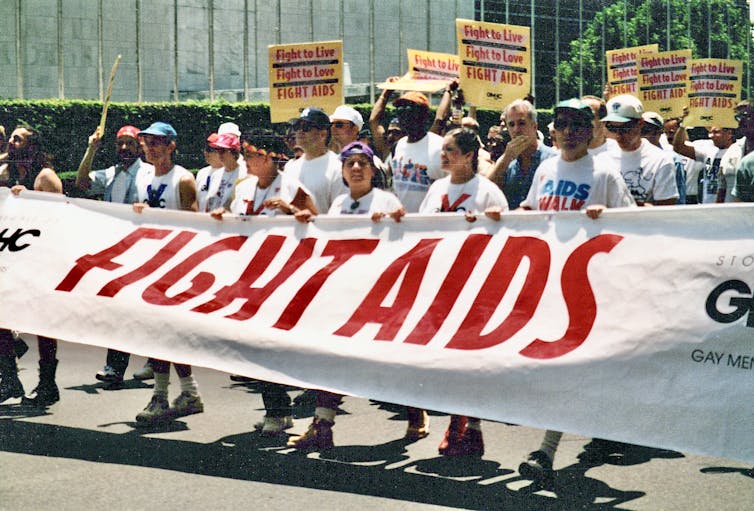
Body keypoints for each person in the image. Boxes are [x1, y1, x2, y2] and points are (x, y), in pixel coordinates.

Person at [516, 99, 635, 484]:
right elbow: (532, 212)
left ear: (591, 131)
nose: (568, 131)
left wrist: (610, 220)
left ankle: (546, 450)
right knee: (565, 366)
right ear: (553, 130)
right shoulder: (546, 168)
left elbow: (635, 225)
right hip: (548, 279)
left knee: (569, 366)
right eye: (562, 124)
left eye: (577, 125)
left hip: (587, 283)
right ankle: (600, 426)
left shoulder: (605, 174)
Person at [286, 141, 405, 451]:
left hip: (376, 294)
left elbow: (404, 241)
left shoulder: (386, 201)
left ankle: (415, 412)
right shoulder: (339, 203)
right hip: (344, 294)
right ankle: (322, 425)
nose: (355, 169)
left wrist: (392, 222)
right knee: (332, 356)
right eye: (349, 164)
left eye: (362, 163)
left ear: (372, 169)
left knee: (388, 363)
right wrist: (308, 223)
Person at [210, 129, 317, 434]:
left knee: (273, 346)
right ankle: (277, 409)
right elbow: (235, 221)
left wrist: (293, 210)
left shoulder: (292, 186)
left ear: (270, 157)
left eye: (252, 155)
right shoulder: (244, 188)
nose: (246, 160)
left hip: (282, 275)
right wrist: (221, 216)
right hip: (251, 275)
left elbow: (319, 222)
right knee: (256, 345)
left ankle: (285, 410)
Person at [417, 128, 508, 457]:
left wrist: (484, 225)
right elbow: (422, 230)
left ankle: (467, 426)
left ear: (470, 155)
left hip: (475, 285)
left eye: (451, 150)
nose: (443, 156)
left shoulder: (487, 191)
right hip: (442, 285)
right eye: (443, 149)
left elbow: (504, 236)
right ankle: (463, 423)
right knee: (448, 360)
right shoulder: (437, 188)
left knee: (471, 360)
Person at [132, 121, 204, 425]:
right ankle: (188, 392)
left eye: (158, 142)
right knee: (162, 333)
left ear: (172, 145)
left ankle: (161, 396)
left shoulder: (183, 179)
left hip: (176, 265)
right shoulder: (143, 175)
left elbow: (195, 223)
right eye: (147, 141)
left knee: (165, 333)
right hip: (150, 263)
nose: (151, 147)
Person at [74, 124, 156, 387]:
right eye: (120, 143)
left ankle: (153, 360)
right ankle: (117, 367)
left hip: (143, 249)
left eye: (129, 143)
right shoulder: (110, 174)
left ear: (139, 146)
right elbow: (82, 182)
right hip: (117, 251)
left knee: (143, 309)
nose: (124, 148)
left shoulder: (149, 173)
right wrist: (90, 149)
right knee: (120, 309)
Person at [0, 124, 63, 406]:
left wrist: (30, 199)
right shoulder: (6, 173)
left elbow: (59, 215)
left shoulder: (45, 177)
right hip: (13, 259)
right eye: (10, 139)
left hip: (41, 259)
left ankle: (47, 383)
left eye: (18, 139)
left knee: (43, 324)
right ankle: (10, 378)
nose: (11, 143)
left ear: (32, 146)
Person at [599, 94, 678, 206]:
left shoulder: (661, 160)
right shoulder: (602, 158)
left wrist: (627, 204)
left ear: (640, 123)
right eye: (612, 128)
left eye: (625, 129)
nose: (618, 135)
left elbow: (666, 211)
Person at [481, 98, 558, 208]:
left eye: (521, 123)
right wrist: (506, 159)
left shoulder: (553, 159)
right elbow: (486, 192)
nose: (516, 130)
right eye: (511, 125)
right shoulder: (507, 163)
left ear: (534, 127)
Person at [387, 91, 445, 212]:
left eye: (408, 109)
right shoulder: (398, 146)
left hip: (429, 224)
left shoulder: (441, 147)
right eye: (399, 110)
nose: (403, 115)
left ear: (424, 115)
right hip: (401, 223)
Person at [283, 107, 347, 214]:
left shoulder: (338, 168)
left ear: (323, 134)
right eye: (297, 126)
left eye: (306, 127)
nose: (299, 131)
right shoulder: (290, 167)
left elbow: (340, 215)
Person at [672, 115, 734, 204]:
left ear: (729, 133)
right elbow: (678, 147)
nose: (711, 136)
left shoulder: (737, 151)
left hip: (729, 207)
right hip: (707, 207)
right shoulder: (708, 151)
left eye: (716, 132)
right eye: (711, 132)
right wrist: (683, 126)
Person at [642, 112, 687, 204]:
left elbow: (679, 199)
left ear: (658, 133)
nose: (641, 135)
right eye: (639, 130)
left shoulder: (673, 159)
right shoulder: (632, 156)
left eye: (645, 131)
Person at [720, 100, 754, 202]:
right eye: (738, 117)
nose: (740, 122)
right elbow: (721, 188)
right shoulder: (732, 150)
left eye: (745, 116)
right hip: (731, 215)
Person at [204, 132, 245, 213]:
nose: (219, 154)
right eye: (217, 150)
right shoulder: (216, 175)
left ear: (234, 152)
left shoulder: (244, 175)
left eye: (222, 150)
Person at [196, 133, 223, 212]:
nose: (206, 152)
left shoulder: (229, 174)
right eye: (206, 149)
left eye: (211, 150)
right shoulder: (202, 173)